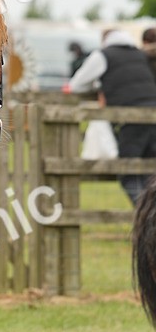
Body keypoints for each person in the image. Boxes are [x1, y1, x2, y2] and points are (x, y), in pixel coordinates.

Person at [66, 28, 156, 204]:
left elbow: (76, 85)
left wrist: (100, 85)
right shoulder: (140, 54)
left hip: (131, 120)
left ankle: (146, 218)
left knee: (126, 171)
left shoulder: (103, 55)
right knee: (150, 173)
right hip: (153, 115)